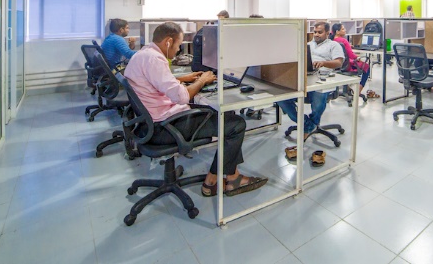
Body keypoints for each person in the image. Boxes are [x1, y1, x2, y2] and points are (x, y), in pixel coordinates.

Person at [124, 22, 267, 197]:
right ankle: (217, 181)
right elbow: (182, 97)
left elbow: (154, 82)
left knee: (224, 116)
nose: (179, 50)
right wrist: (201, 81)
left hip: (149, 125)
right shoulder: (155, 59)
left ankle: (231, 174)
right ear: (168, 42)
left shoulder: (143, 54)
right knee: (235, 124)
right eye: (178, 44)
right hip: (165, 128)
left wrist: (184, 78)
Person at [277, 22, 343, 152]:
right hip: (306, 77)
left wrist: (323, 63)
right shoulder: (308, 45)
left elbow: (339, 63)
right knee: (281, 97)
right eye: (315, 32)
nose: (316, 34)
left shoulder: (334, 45)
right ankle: (308, 124)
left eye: (320, 32)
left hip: (324, 79)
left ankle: (308, 127)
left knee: (318, 94)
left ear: (327, 33)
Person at [329, 23, 370, 101]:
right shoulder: (343, 40)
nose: (345, 30)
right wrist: (358, 58)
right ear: (337, 32)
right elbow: (351, 55)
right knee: (367, 67)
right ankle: (358, 91)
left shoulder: (332, 40)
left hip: (338, 65)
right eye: (343, 29)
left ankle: (347, 89)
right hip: (347, 66)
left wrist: (348, 46)